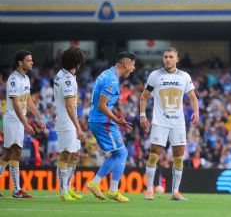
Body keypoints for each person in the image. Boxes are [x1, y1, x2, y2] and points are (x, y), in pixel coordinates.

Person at [140, 47, 199, 201]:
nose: (168, 59)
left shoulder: (184, 76)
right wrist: (142, 115)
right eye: (165, 57)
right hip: (160, 122)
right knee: (153, 156)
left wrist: (196, 112)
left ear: (177, 59)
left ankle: (176, 192)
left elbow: (192, 96)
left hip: (178, 123)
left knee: (179, 158)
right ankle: (149, 191)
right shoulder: (155, 75)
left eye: (171, 57)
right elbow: (144, 97)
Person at [86, 52, 135, 203]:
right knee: (122, 154)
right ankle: (112, 190)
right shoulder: (112, 79)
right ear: (126, 64)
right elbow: (102, 105)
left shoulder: (106, 74)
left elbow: (103, 103)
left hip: (99, 120)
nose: (133, 69)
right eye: (133, 65)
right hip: (102, 121)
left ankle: (96, 183)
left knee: (117, 154)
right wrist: (117, 120)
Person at [0, 50, 46, 198]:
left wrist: (39, 118)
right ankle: (17, 190)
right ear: (20, 62)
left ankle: (17, 190)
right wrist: (25, 123)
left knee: (11, 153)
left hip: (18, 121)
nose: (32, 63)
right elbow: (16, 104)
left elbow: (28, 101)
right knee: (13, 152)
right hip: (13, 120)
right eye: (29, 60)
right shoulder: (14, 79)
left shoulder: (25, 78)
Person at [53, 47, 86, 201]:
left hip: (69, 121)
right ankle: (63, 191)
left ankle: (68, 186)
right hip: (66, 122)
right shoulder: (67, 79)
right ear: (76, 62)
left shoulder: (64, 74)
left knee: (75, 154)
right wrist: (78, 127)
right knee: (65, 155)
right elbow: (68, 106)